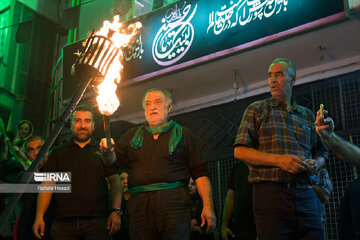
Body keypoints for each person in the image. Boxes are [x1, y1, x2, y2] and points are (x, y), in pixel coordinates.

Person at [100, 88, 217, 240]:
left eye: (158, 102)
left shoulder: (184, 134)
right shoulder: (131, 135)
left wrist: (208, 206)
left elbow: (200, 173)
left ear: (169, 108)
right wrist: (107, 152)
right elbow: (112, 162)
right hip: (140, 207)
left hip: (174, 204)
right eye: (148, 104)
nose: (152, 107)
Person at [234, 58, 328, 240]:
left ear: (292, 79)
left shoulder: (307, 115)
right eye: (270, 76)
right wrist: (280, 160)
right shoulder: (257, 110)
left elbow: (322, 153)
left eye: (278, 74)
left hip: (307, 192)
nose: (272, 80)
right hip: (270, 194)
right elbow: (240, 151)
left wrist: (316, 164)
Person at [32, 105, 121, 240]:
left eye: (87, 121)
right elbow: (47, 185)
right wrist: (39, 216)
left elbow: (115, 182)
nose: (82, 125)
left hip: (97, 223)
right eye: (78, 120)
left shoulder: (104, 152)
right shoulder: (58, 153)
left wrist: (116, 211)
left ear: (93, 125)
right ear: (71, 124)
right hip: (62, 224)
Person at [16, 136, 48, 240]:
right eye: (31, 150)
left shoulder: (54, 170)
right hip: (25, 226)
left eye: (39, 148)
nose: (36, 153)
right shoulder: (22, 175)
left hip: (48, 226)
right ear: (26, 153)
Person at [221, 162, 256, 240]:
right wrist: (224, 225)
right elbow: (230, 198)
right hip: (237, 228)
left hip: (256, 226)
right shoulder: (237, 168)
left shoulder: (261, 166)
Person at [113, 170, 131, 240]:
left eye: (128, 179)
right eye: (122, 179)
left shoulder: (136, 199)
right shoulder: (114, 200)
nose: (125, 182)